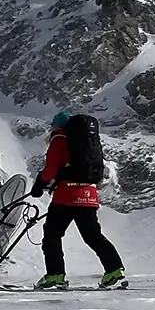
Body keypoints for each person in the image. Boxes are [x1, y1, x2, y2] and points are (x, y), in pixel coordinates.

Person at [30, 111, 126, 290]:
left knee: (52, 234)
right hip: (89, 195)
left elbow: (51, 169)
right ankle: (114, 270)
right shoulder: (88, 141)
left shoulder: (59, 139)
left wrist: (40, 183)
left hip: (67, 195)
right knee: (93, 236)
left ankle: (55, 275)